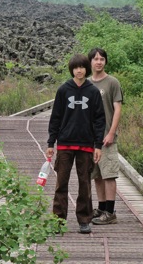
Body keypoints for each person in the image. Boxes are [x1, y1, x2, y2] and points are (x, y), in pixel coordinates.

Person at [46, 53, 106, 234]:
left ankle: (84, 219)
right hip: (65, 143)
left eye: (82, 67)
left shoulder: (93, 91)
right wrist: (51, 142)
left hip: (86, 144)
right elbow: (55, 117)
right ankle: (58, 220)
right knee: (61, 183)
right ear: (72, 69)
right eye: (76, 67)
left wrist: (98, 145)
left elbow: (99, 120)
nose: (79, 70)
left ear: (86, 69)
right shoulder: (64, 90)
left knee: (84, 183)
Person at [88, 48, 123, 225]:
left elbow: (117, 108)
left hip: (107, 137)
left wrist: (111, 133)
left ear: (105, 62)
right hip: (91, 138)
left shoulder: (112, 83)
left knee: (109, 174)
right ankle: (101, 208)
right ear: (90, 62)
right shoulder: (86, 83)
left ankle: (110, 212)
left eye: (102, 59)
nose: (99, 62)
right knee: (97, 175)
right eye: (95, 59)